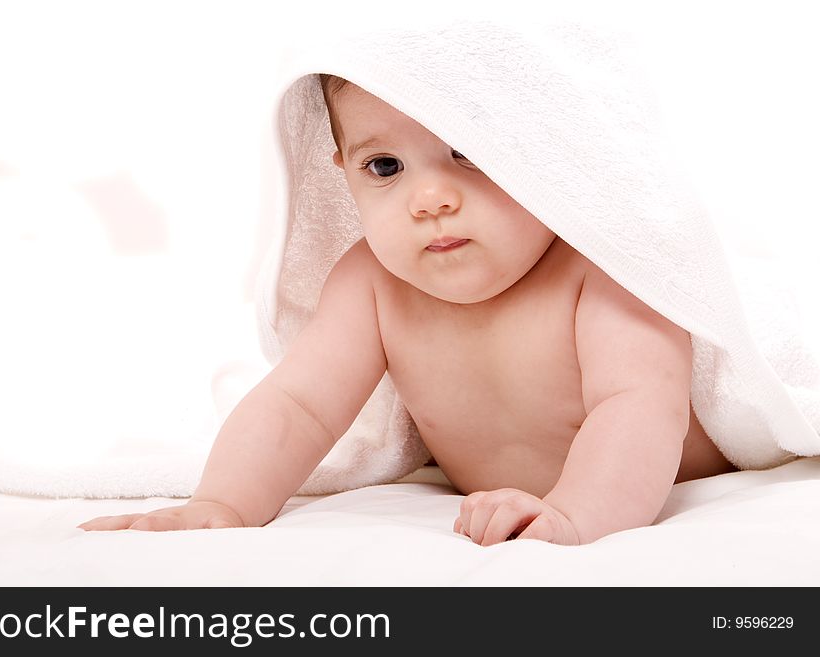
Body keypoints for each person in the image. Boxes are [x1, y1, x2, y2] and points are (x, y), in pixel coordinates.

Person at [79, 73, 738, 546]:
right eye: (386, 165)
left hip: (620, 485)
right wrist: (221, 501)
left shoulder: (602, 268)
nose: (428, 198)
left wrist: (575, 515)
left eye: (469, 151)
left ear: (546, 154)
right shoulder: (374, 281)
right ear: (342, 170)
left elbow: (639, 409)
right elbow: (297, 405)